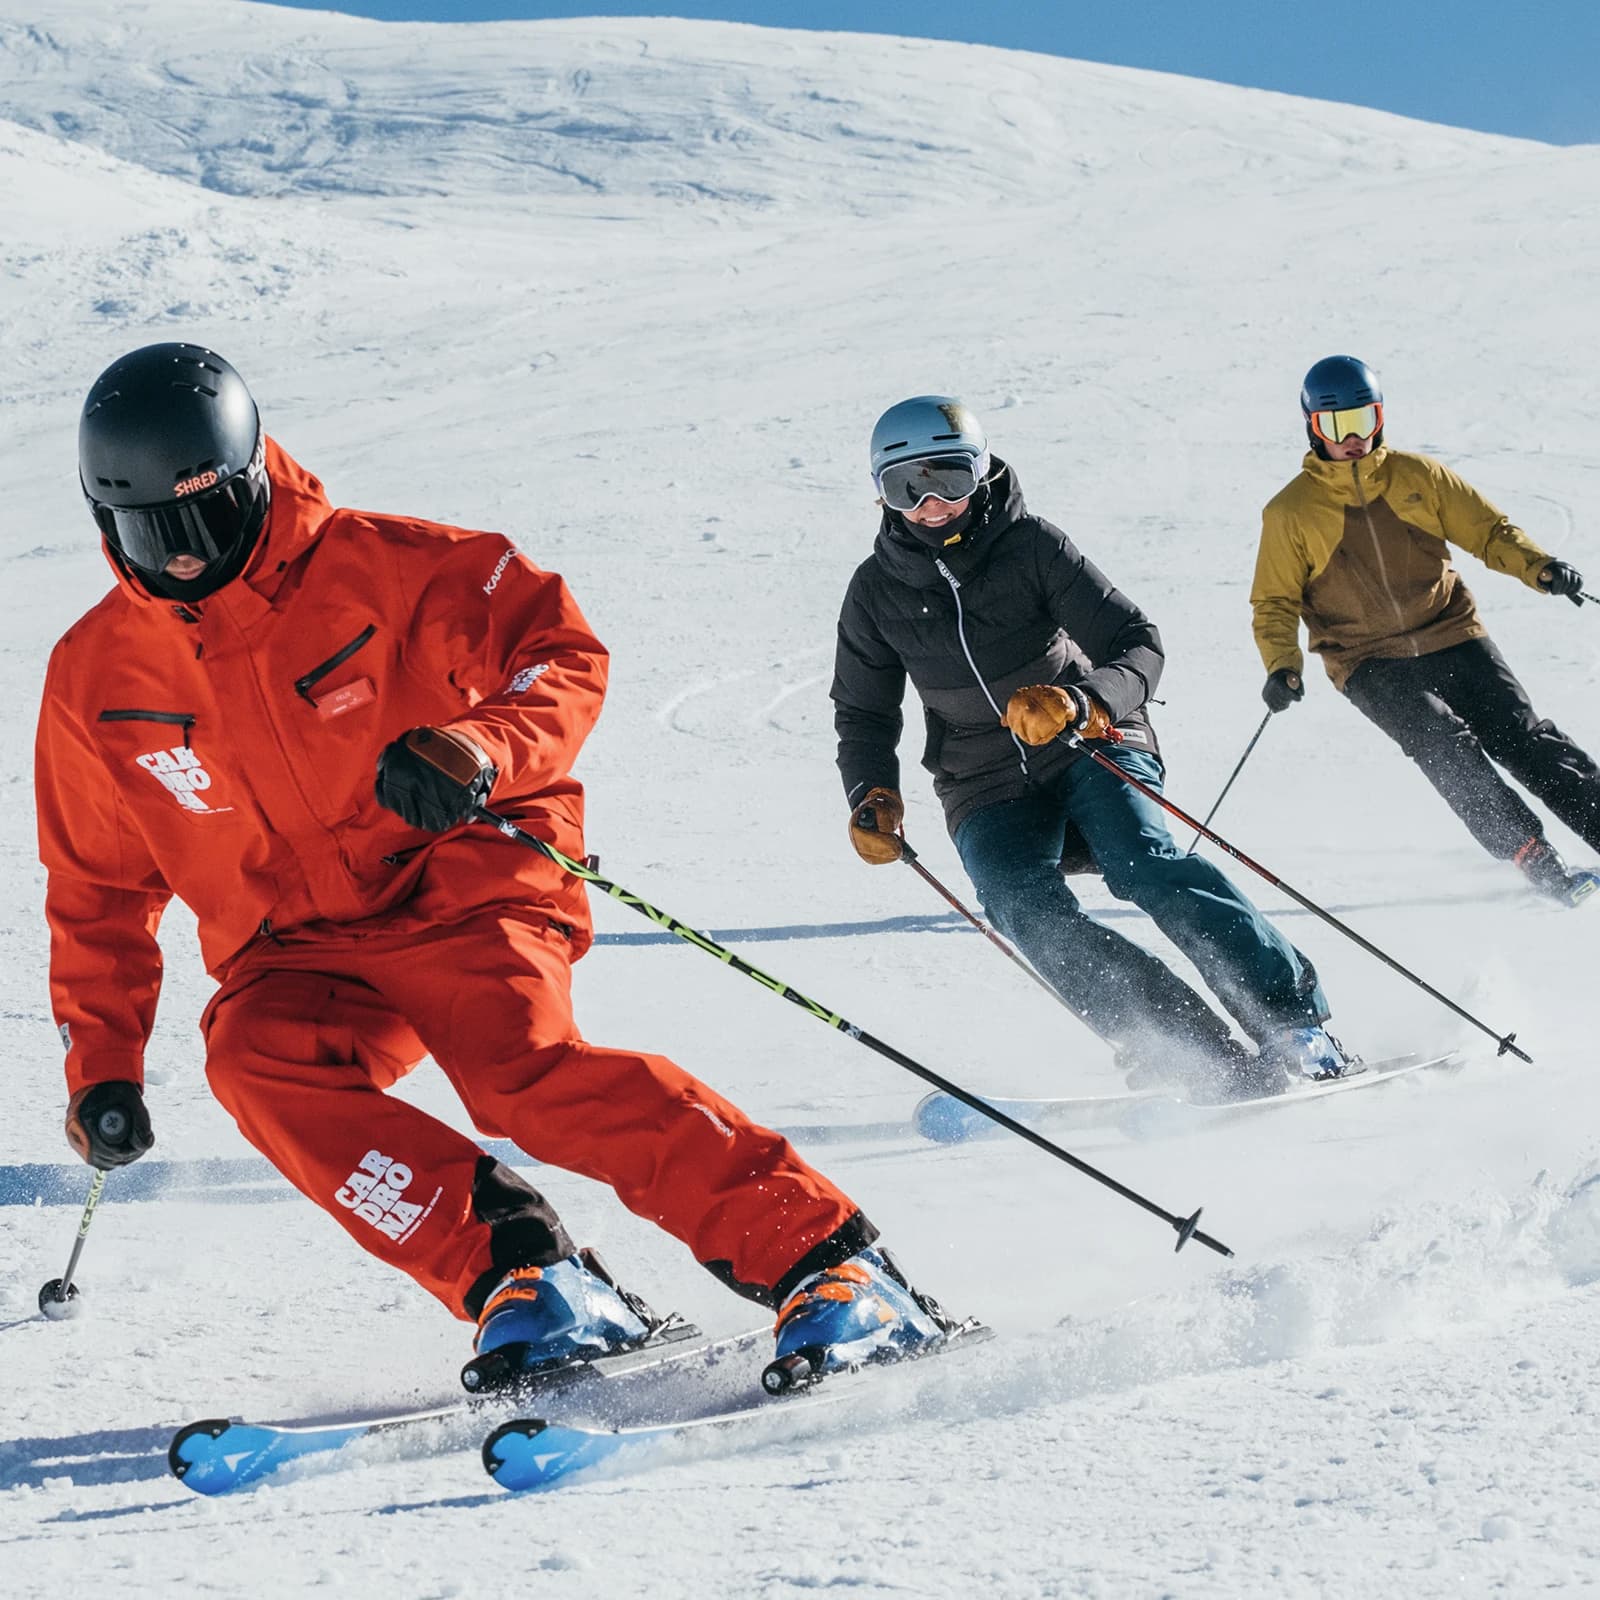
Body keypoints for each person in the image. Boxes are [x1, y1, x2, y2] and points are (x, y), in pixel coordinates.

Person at [39, 341, 951, 1383]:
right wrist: (101, 1066)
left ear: (251, 478)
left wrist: (479, 747)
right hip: (297, 946)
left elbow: (558, 654)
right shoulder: (95, 673)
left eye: (201, 522)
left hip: (462, 878)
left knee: (520, 1075)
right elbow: (97, 889)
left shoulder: (389, 565)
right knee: (256, 1058)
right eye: (148, 533)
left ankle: (827, 1259)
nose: (185, 559)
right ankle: (528, 1274)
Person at [831, 395, 1351, 1100]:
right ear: (881, 494)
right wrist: (871, 793)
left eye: (948, 480)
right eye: (905, 488)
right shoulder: (874, 594)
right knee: (1021, 907)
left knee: (1143, 864)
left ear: (979, 474)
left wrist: (1083, 702)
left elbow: (1137, 643)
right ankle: (1186, 1049)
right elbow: (862, 712)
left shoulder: (1033, 546)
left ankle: (1292, 1022)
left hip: (1087, 741)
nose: (930, 505)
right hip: (981, 779)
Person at [1252, 355, 1600, 907]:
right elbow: (1274, 602)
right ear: (1312, 427)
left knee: (1522, 736)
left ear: (1380, 417)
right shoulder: (1292, 512)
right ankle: (1529, 852)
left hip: (1450, 629)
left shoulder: (1419, 477)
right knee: (1441, 741)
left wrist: (1540, 566)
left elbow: (1488, 530)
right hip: (1365, 658)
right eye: (1336, 427)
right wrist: (1282, 666)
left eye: (1363, 422)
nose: (1353, 440)